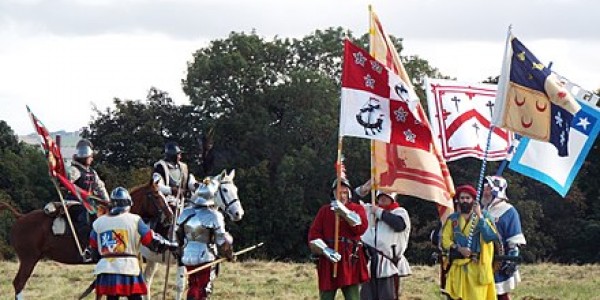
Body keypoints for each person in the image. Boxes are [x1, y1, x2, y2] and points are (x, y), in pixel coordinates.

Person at [86, 187, 177, 300]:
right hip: (129, 268)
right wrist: (170, 245)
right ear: (129, 204)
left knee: (111, 297)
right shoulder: (135, 220)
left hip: (106, 269)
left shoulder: (98, 223)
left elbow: (93, 249)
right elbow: (152, 240)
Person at [308, 177, 369, 300]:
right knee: (326, 297)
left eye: (345, 192)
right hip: (329, 259)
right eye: (339, 192)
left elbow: (360, 228)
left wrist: (345, 213)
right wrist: (326, 250)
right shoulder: (324, 211)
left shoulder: (357, 209)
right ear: (333, 193)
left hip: (350, 258)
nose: (342, 196)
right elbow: (313, 236)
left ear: (349, 193)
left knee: (353, 297)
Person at [175, 183, 235, 300]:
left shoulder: (185, 212)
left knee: (193, 285)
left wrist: (180, 251)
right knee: (204, 287)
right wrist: (229, 254)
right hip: (205, 256)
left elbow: (178, 235)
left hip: (187, 255)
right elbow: (221, 240)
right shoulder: (214, 216)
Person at [442, 184, 498, 300]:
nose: (465, 201)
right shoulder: (453, 219)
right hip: (458, 268)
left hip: (477, 269)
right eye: (462, 198)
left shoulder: (484, 217)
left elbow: (490, 236)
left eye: (468, 198)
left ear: (473, 200)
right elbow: (445, 240)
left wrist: (479, 215)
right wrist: (458, 248)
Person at [360, 190, 411, 300]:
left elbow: (399, 225)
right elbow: (351, 204)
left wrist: (379, 212)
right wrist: (363, 188)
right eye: (381, 196)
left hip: (388, 265)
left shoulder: (400, 212)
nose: (383, 198)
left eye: (386, 196)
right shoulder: (369, 210)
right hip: (368, 262)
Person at [482, 176, 527, 300]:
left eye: (488, 189)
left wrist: (510, 261)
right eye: (485, 189)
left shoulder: (509, 211)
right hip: (482, 260)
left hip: (499, 262)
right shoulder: (481, 210)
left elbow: (514, 240)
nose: (485, 192)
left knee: (500, 294)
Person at [65, 139, 110, 236]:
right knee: (87, 216)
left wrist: (108, 202)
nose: (92, 159)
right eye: (90, 157)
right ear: (85, 156)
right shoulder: (74, 170)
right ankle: (84, 240)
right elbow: (66, 181)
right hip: (74, 202)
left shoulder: (92, 172)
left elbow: (100, 188)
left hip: (89, 203)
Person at [153, 141, 198, 209]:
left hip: (184, 201)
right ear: (172, 155)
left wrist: (196, 186)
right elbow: (157, 186)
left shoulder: (183, 167)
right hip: (167, 202)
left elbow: (189, 181)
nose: (180, 157)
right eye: (178, 155)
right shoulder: (160, 167)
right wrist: (172, 190)